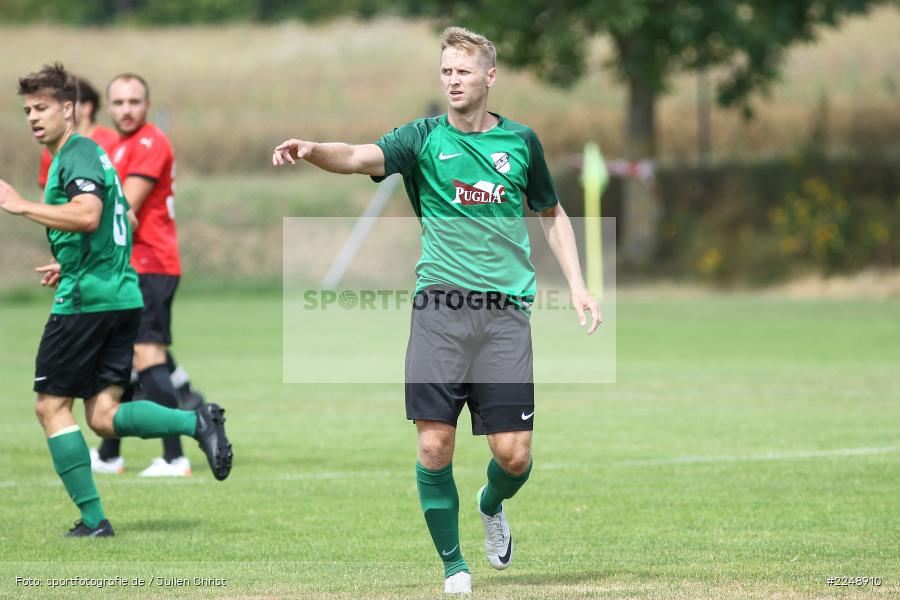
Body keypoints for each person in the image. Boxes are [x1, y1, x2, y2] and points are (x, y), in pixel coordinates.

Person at [272, 27, 600, 594]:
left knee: (515, 456)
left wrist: (577, 284)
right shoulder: (421, 139)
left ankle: (489, 505)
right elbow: (355, 156)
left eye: (463, 71)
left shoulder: (522, 142)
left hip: (504, 316)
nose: (452, 79)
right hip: (439, 310)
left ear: (489, 77)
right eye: (445, 70)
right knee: (432, 444)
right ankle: (454, 566)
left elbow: (551, 213)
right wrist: (312, 149)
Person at [0, 63, 233, 537]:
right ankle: (197, 421)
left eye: (42, 108)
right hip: (119, 292)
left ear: (69, 109)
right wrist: (71, 261)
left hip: (88, 302)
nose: (33, 118)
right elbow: (111, 220)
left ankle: (93, 521)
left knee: (51, 407)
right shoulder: (92, 154)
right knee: (102, 417)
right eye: (27, 110)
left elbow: (88, 215)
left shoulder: (78, 154)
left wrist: (19, 205)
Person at [91, 73, 204, 478]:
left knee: (147, 356)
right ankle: (109, 454)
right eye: (118, 102)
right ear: (108, 106)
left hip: (150, 264)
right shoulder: (117, 145)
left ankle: (175, 457)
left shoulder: (150, 142)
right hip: (127, 266)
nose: (126, 109)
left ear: (147, 104)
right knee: (120, 356)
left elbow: (125, 209)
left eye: (133, 102)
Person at [37, 76, 118, 189]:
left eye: (67, 103)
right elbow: (49, 196)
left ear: (87, 108)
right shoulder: (52, 149)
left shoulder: (114, 142)